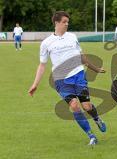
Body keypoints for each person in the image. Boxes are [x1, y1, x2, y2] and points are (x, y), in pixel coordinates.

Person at [28, 11, 106, 146]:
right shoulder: (47, 43)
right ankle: (91, 136)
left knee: (87, 106)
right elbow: (42, 65)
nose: (67, 24)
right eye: (64, 22)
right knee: (74, 106)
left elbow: (81, 56)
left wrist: (95, 69)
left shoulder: (72, 37)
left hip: (78, 75)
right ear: (56, 23)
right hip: (61, 80)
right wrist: (35, 84)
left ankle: (97, 118)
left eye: (67, 22)